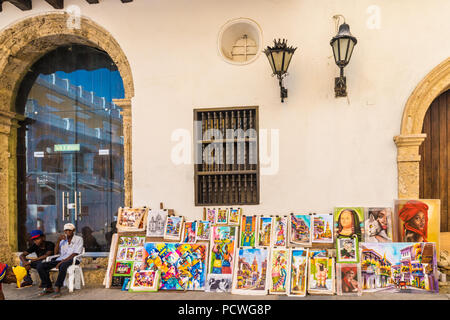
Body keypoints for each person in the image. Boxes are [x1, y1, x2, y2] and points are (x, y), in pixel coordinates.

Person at [36, 223, 84, 296]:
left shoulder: (79, 239)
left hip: (74, 259)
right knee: (40, 266)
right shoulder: (63, 240)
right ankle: (48, 287)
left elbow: (75, 254)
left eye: (69, 230)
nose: (68, 232)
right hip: (61, 259)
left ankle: (58, 288)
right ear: (64, 231)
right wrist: (58, 241)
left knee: (63, 265)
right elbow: (56, 253)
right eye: (66, 230)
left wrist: (62, 261)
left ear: (73, 230)